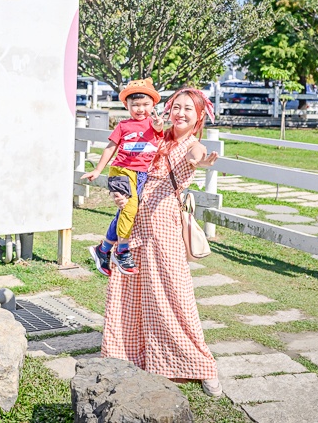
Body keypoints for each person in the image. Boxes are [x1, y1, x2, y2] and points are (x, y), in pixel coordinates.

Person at [101, 87, 223, 397]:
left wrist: (204, 161)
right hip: (133, 227)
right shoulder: (154, 135)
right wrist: (118, 193)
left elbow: (197, 156)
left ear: (198, 119)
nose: (180, 113)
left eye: (188, 110)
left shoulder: (192, 144)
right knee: (130, 291)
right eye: (176, 107)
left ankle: (201, 365)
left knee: (174, 294)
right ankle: (132, 355)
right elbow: (124, 166)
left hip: (164, 228)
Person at [81, 78, 164, 276]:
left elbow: (160, 133)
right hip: (122, 171)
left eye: (145, 104)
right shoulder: (123, 126)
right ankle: (122, 250)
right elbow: (110, 148)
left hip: (141, 175)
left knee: (125, 213)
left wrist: (160, 125)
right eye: (135, 105)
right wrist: (98, 170)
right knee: (129, 208)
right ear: (127, 105)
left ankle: (102, 250)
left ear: (153, 105)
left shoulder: (154, 125)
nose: (140, 109)